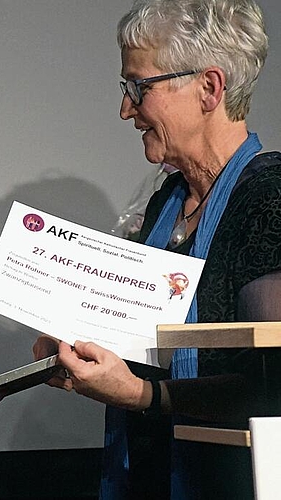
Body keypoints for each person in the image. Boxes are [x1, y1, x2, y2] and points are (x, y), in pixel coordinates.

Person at [33, 0, 281, 498]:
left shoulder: (269, 199)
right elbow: (145, 343)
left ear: (209, 87)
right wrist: (84, 344)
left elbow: (270, 384)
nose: (125, 108)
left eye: (137, 88)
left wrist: (141, 395)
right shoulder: (167, 201)